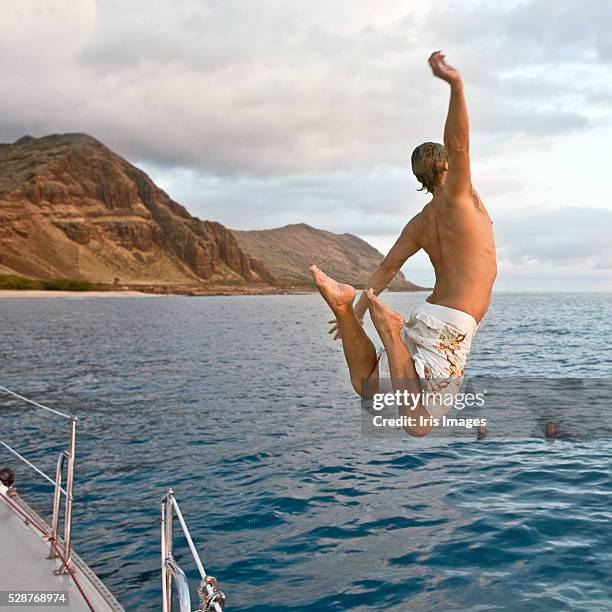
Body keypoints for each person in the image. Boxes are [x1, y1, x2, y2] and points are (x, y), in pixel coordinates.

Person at [310, 51, 497, 436]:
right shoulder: (460, 200)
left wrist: (359, 311)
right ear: (445, 167)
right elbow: (460, 144)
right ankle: (391, 332)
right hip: (451, 325)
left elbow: (386, 269)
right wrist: (456, 86)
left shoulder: (418, 223)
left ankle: (342, 308)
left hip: (429, 315)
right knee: (420, 424)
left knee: (367, 386)